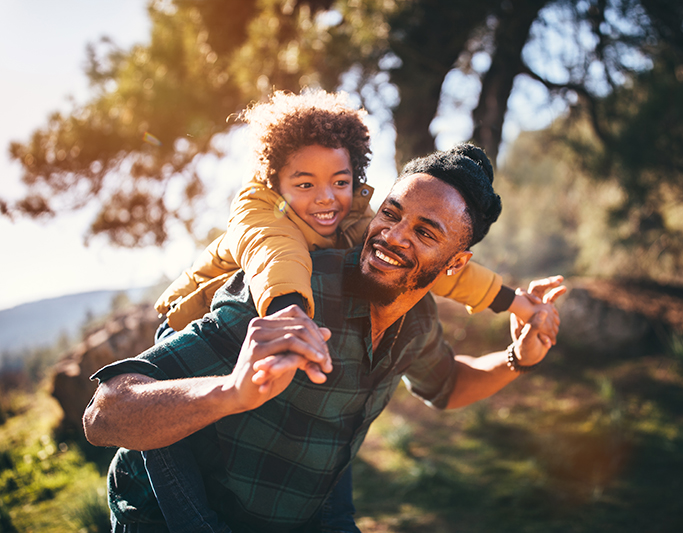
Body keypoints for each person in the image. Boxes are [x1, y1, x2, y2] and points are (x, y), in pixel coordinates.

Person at [83, 143, 566, 532]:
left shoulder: (418, 321)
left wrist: (517, 358)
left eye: (424, 232)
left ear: (455, 263)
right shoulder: (290, 297)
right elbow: (106, 414)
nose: (394, 235)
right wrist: (230, 391)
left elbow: (448, 385)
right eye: (391, 214)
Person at [153, 90, 537, 335]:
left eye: (340, 181)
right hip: (186, 325)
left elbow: (431, 264)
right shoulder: (260, 213)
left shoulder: (358, 219)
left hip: (263, 324)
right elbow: (277, 254)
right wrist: (290, 312)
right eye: (305, 184)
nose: (326, 199)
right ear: (275, 182)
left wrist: (514, 302)